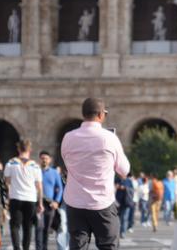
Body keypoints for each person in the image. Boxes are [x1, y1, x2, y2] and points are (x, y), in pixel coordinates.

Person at [61, 97, 130, 250]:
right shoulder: (109, 138)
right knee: (108, 245)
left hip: (75, 203)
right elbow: (124, 170)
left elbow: (67, 163)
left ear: (83, 114)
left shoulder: (68, 137)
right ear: (100, 114)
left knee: (77, 246)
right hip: (102, 203)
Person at [4, 139, 44, 250]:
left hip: (15, 197)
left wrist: (7, 198)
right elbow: (39, 186)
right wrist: (40, 203)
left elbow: (7, 183)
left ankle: (17, 248)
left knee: (15, 225)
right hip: (30, 199)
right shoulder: (35, 165)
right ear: (30, 150)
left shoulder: (11, 163)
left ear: (18, 149)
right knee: (28, 226)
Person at [36, 151, 63, 250]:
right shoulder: (36, 171)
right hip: (38, 203)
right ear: (39, 159)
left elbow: (60, 188)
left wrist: (57, 201)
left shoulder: (54, 173)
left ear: (50, 160)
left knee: (46, 229)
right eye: (42, 158)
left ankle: (45, 248)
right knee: (39, 227)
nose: (44, 160)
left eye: (46, 158)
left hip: (50, 204)